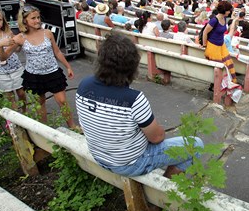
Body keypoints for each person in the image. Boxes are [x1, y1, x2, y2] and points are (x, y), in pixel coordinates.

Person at [76, 33, 201, 180]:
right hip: (129, 164)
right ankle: (164, 189)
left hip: (99, 155)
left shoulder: (84, 85)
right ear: (132, 67)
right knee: (195, 145)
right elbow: (157, 138)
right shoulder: (134, 99)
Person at [0, 5, 76, 128]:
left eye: (38, 17)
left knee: (62, 101)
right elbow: (3, 57)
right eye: (33, 18)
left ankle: (72, 126)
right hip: (34, 76)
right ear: (24, 20)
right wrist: (0, 47)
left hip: (53, 72)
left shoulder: (47, 33)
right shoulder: (19, 38)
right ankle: (44, 130)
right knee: (40, 104)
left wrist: (68, 66)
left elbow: (57, 51)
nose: (37, 20)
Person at [202, 0, 237, 83]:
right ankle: (216, 84)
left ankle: (229, 82)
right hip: (213, 46)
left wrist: (234, 19)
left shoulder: (224, 18)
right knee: (219, 66)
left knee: (229, 63)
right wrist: (204, 45)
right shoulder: (214, 20)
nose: (229, 12)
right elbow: (205, 32)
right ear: (225, 11)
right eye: (229, 10)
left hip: (221, 45)